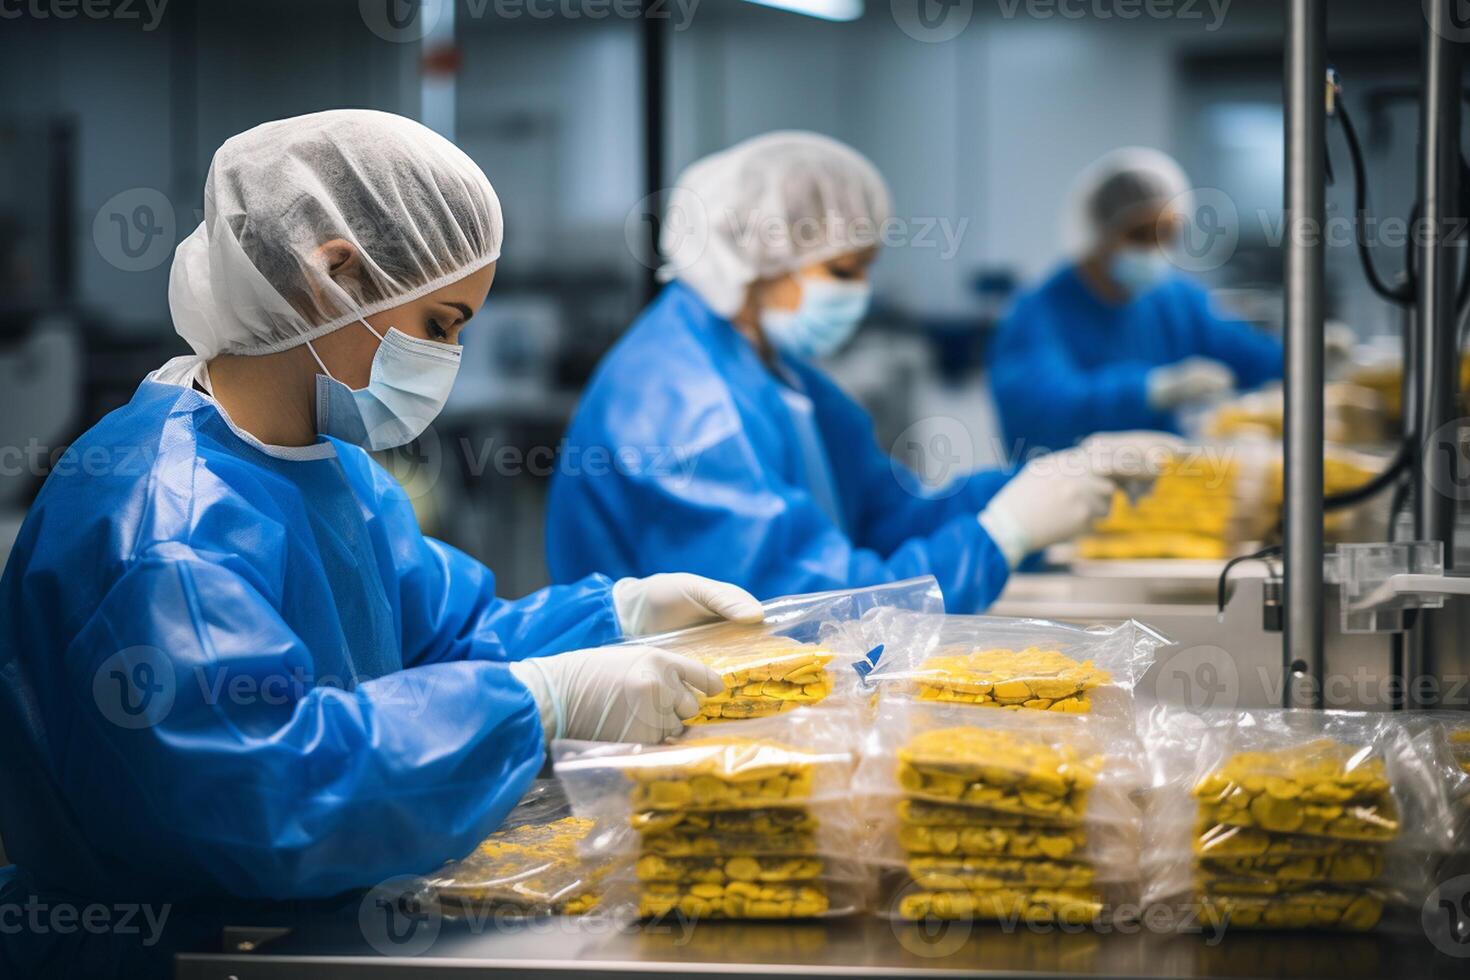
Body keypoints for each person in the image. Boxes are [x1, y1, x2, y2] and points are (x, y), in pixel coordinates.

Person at [0, 110, 763, 904]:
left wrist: (618, 616)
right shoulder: (169, 527)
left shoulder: (326, 469)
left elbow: (443, 636)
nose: (449, 361)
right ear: (334, 274)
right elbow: (266, 795)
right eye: (440, 325)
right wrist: (538, 703)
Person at [547, 132, 1139, 613]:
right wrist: (1000, 536)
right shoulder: (681, 402)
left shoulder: (776, 374)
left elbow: (888, 517)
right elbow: (799, 610)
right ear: (760, 253)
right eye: (844, 270)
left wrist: (1042, 483)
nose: (862, 293)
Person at [988, 147, 1286, 458]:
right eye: (1140, 234)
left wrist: (1305, 357)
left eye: (1166, 233)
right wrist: (1151, 390)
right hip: (1065, 494)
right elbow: (1042, 414)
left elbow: (1246, 355)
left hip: (1159, 488)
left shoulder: (1174, 301)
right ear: (1099, 231)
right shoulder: (1036, 315)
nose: (1154, 249)